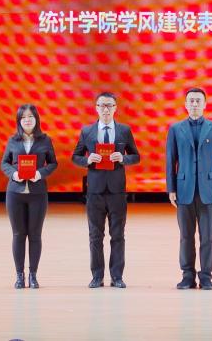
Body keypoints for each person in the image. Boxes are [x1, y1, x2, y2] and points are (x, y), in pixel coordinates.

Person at [71, 91, 141, 288]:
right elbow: (75, 156)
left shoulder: (124, 131)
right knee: (95, 235)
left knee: (118, 235)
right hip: (95, 191)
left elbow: (136, 156)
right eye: (102, 105)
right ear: (96, 108)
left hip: (117, 191)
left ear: (115, 108)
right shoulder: (87, 131)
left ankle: (117, 277)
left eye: (109, 105)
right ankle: (97, 276)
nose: (106, 109)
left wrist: (123, 158)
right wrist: (87, 160)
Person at [165, 87, 212, 290]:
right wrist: (171, 188)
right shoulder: (175, 129)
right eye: (191, 100)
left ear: (205, 104)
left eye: (198, 101)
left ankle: (206, 276)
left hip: (208, 190)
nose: (194, 104)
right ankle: (187, 276)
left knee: (208, 236)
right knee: (186, 236)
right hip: (184, 189)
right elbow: (171, 160)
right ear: (185, 104)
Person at [0, 104, 58, 289]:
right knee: (18, 234)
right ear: (19, 120)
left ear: (36, 119)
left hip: (37, 194)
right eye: (23, 117)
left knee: (35, 235)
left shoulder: (45, 140)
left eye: (30, 116)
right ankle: (19, 275)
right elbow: (4, 163)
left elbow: (53, 163)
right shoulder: (12, 140)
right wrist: (13, 174)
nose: (27, 120)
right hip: (15, 193)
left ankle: (33, 275)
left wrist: (40, 173)